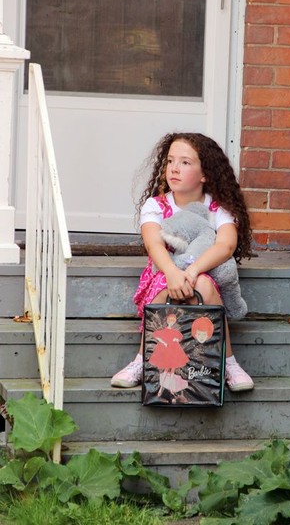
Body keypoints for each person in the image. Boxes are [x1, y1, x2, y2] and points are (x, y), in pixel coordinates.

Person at [111, 132, 254, 392]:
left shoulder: (217, 208)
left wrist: (193, 270)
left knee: (204, 285)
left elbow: (226, 245)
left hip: (202, 272)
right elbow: (154, 244)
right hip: (164, 271)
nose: (174, 168)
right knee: (166, 289)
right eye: (170, 161)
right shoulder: (156, 205)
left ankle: (228, 361)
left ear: (205, 174)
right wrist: (173, 273)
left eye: (185, 162)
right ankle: (142, 361)